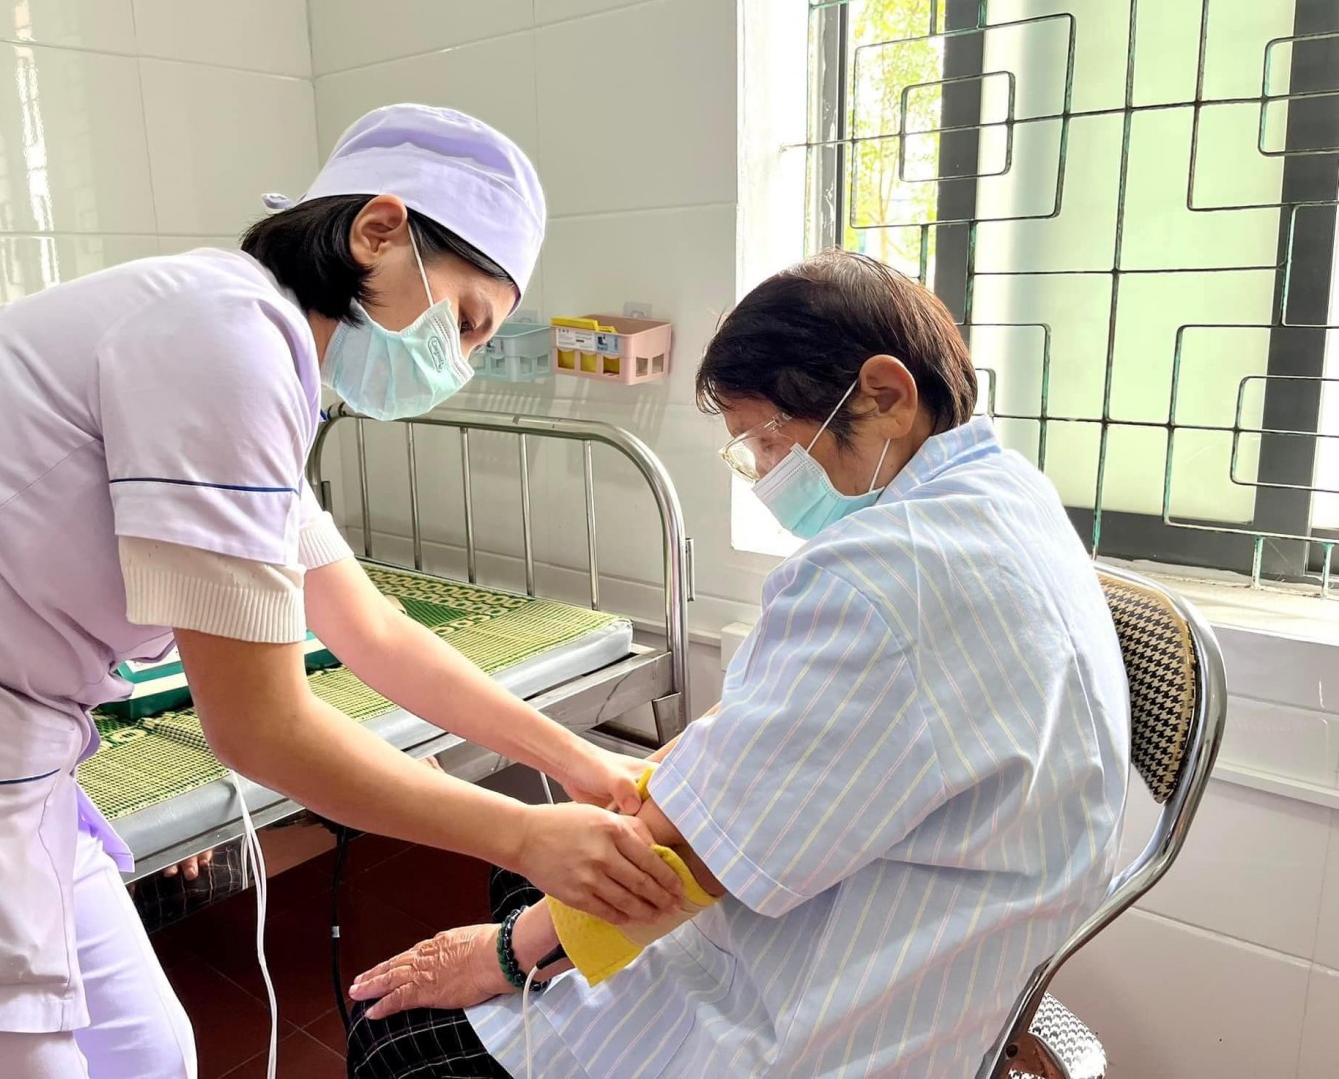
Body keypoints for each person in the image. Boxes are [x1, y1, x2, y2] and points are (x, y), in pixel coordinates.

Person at [0, 104, 680, 1079]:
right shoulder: (222, 336)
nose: (459, 363)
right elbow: (260, 727)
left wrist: (580, 761)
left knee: (148, 1052)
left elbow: (370, 628)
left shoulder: (251, 346)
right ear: (378, 231)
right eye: (463, 322)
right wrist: (526, 835)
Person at [343, 250, 1132, 1078]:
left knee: (395, 1033)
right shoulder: (1007, 495)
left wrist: (505, 953)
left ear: (886, 395)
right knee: (536, 884)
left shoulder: (881, 577)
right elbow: (787, 733)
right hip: (940, 932)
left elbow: (695, 853)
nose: (763, 474)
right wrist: (641, 786)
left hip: (825, 1007)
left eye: (768, 441)